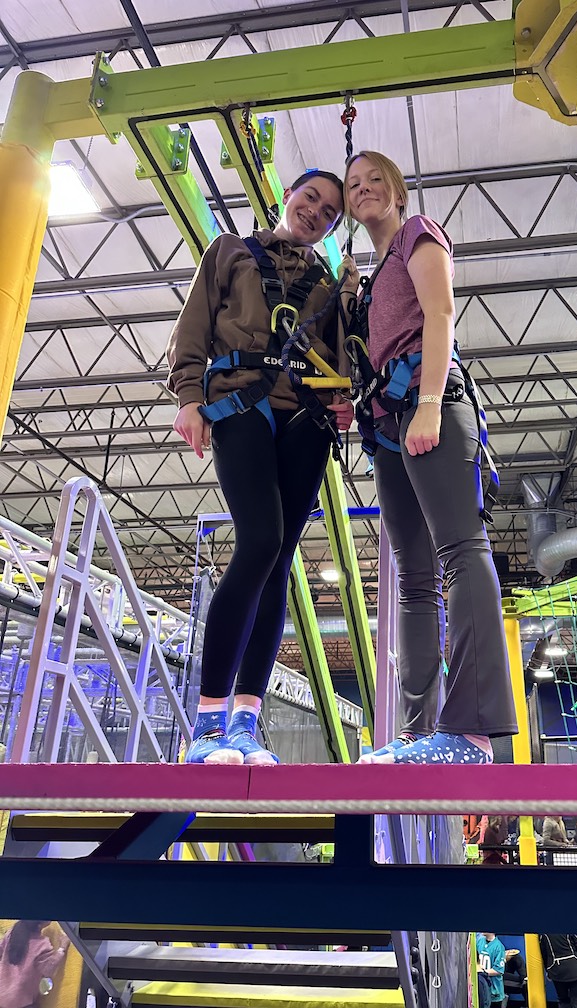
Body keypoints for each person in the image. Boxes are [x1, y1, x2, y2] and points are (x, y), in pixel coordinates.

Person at [168, 169, 354, 764]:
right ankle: (207, 723)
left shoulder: (331, 282)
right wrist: (189, 399)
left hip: (305, 417)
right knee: (260, 541)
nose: (316, 214)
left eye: (328, 213)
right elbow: (194, 326)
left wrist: (348, 391)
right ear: (287, 197)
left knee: (278, 561)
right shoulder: (230, 252)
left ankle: (245, 724)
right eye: (311, 200)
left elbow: (347, 347)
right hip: (239, 402)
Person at [344, 150, 517, 765]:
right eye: (353, 184)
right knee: (413, 578)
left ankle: (471, 729)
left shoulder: (419, 234)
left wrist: (429, 401)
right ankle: (422, 735)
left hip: (431, 407)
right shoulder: (369, 276)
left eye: (374, 181)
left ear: (397, 191)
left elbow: (441, 314)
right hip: (388, 423)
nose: (363, 189)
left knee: (461, 551)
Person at [0, 920, 70, 1008]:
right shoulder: (42, 944)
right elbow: (48, 969)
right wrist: (62, 948)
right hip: (20, 1002)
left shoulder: (12, 933)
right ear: (40, 924)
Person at [476, 932, 508, 1008]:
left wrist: (483, 972)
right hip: (483, 989)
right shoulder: (480, 941)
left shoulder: (499, 947)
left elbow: (498, 970)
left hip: (494, 990)